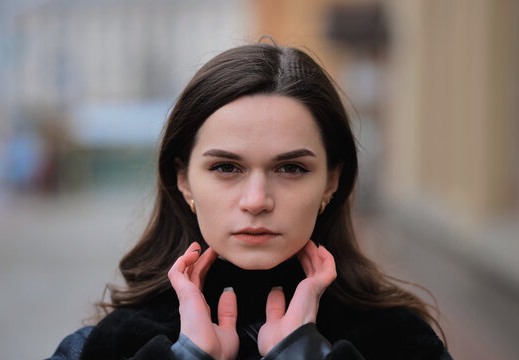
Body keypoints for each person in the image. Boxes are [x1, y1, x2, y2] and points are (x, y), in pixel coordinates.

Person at [48, 42, 452, 360]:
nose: (257, 201)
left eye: (290, 168)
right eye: (226, 168)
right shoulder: (105, 345)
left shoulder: (399, 341)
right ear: (183, 179)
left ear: (332, 181)